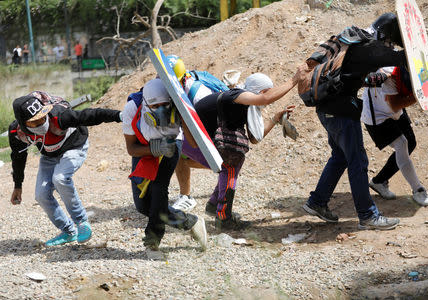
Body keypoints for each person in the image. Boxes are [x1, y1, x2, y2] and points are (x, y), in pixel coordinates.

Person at [301, 13, 407, 230]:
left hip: (326, 109)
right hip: (341, 113)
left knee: (340, 156)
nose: (389, 45)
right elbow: (398, 59)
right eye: (390, 41)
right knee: (357, 162)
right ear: (385, 35)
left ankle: (317, 202)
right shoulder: (369, 47)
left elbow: (353, 74)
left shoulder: (351, 41)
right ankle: (368, 215)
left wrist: (377, 79)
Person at [190, 71, 302, 230]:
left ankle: (215, 205)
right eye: (267, 92)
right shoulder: (236, 95)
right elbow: (265, 99)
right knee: (231, 160)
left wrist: (275, 119)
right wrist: (295, 79)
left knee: (235, 157)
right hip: (190, 141)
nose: (266, 100)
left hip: (202, 139)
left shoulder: (245, 106)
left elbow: (255, 138)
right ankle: (223, 218)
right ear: (261, 92)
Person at [8, 91, 123, 246]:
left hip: (74, 146)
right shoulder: (18, 133)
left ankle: (82, 222)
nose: (42, 122)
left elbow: (91, 115)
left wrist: (119, 116)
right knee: (41, 195)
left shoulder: (59, 117)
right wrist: (18, 185)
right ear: (23, 124)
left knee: (60, 178)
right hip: (49, 154)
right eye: (35, 122)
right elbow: (18, 157)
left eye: (43, 117)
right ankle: (68, 232)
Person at [122, 78, 207, 254]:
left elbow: (194, 142)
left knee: (159, 189)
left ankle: (152, 242)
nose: (161, 110)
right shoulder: (132, 108)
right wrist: (153, 149)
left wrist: (184, 118)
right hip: (143, 146)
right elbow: (131, 148)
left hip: (171, 144)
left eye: (164, 104)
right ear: (146, 104)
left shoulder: (177, 107)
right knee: (143, 205)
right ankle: (190, 222)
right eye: (155, 106)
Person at [361, 66, 428, 206]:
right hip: (378, 117)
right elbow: (395, 104)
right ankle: (418, 189)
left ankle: (379, 181)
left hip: (392, 110)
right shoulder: (389, 76)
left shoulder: (402, 65)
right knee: (402, 144)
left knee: (410, 142)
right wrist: (418, 96)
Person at [166, 55, 222, 212]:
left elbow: (213, 128)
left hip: (217, 135)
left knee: (176, 150)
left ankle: (225, 167)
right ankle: (185, 195)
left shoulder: (199, 95)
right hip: (201, 129)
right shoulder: (180, 82)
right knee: (175, 146)